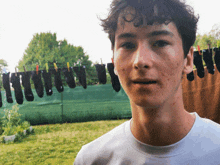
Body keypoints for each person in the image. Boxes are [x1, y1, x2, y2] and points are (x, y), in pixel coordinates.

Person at [74, 0, 220, 164]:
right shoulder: (92, 159)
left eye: (160, 43)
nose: (140, 60)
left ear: (187, 60)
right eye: (128, 45)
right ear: (114, 61)